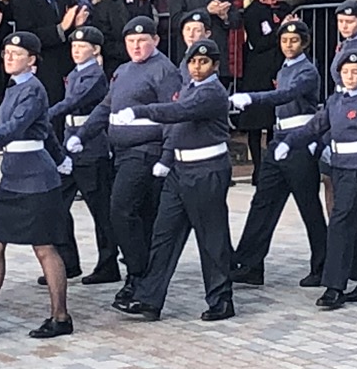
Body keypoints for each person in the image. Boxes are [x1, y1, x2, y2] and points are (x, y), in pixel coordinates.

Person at [117, 37, 236, 322]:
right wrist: (167, 160)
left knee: (211, 237)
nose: (197, 67)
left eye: (203, 62)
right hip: (180, 170)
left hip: (206, 169)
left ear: (215, 65)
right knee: (164, 235)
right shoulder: (188, 88)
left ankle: (221, 299)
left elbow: (178, 113)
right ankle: (149, 298)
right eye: (193, 61)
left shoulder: (211, 93)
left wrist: (140, 111)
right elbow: (177, 127)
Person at [0, 31, 69, 339]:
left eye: (17, 54)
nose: (9, 57)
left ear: (32, 60)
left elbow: (16, 127)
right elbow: (45, 128)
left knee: (44, 247)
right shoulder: (13, 87)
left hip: (35, 178)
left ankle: (61, 316)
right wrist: (61, 156)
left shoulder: (32, 90)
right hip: (13, 176)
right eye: (6, 52)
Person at [287, 48, 357, 308]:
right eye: (345, 72)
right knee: (351, 222)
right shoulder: (336, 101)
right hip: (339, 168)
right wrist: (290, 142)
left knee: (339, 223)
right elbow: (316, 126)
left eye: (355, 72)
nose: (349, 76)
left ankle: (334, 285)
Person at [87, 17, 181, 309]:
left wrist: (166, 156)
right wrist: (82, 134)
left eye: (143, 40)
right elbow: (106, 107)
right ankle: (138, 277)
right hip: (122, 152)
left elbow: (173, 114)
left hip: (146, 152)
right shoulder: (124, 70)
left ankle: (139, 272)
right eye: (131, 41)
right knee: (137, 218)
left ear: (156, 40)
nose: (137, 46)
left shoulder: (164, 70)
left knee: (121, 211)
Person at [229, 16, 328, 288]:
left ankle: (322, 265)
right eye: (284, 40)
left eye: (294, 40)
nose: (288, 45)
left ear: (304, 43)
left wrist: (253, 98)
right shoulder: (284, 68)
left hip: (299, 140)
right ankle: (249, 264)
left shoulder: (307, 71)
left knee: (308, 206)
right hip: (279, 137)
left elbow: (287, 96)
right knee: (263, 202)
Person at [50, 26, 115, 285]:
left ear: (95, 50)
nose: (76, 50)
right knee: (57, 204)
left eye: (82, 46)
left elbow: (74, 101)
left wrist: (44, 114)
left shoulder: (94, 75)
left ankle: (108, 263)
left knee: (100, 209)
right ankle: (68, 261)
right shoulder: (75, 72)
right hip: (69, 141)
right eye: (74, 46)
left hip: (90, 146)